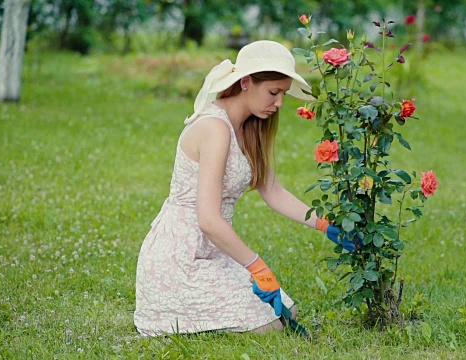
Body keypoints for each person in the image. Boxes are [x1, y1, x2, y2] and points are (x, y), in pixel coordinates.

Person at [134, 40, 354, 336]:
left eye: (283, 94)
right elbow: (208, 220)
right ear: (246, 82)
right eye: (273, 92)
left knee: (286, 312)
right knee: (269, 325)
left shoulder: (250, 126)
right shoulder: (215, 128)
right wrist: (257, 267)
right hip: (180, 257)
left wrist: (325, 225)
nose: (279, 104)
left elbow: (273, 190)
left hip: (215, 251)